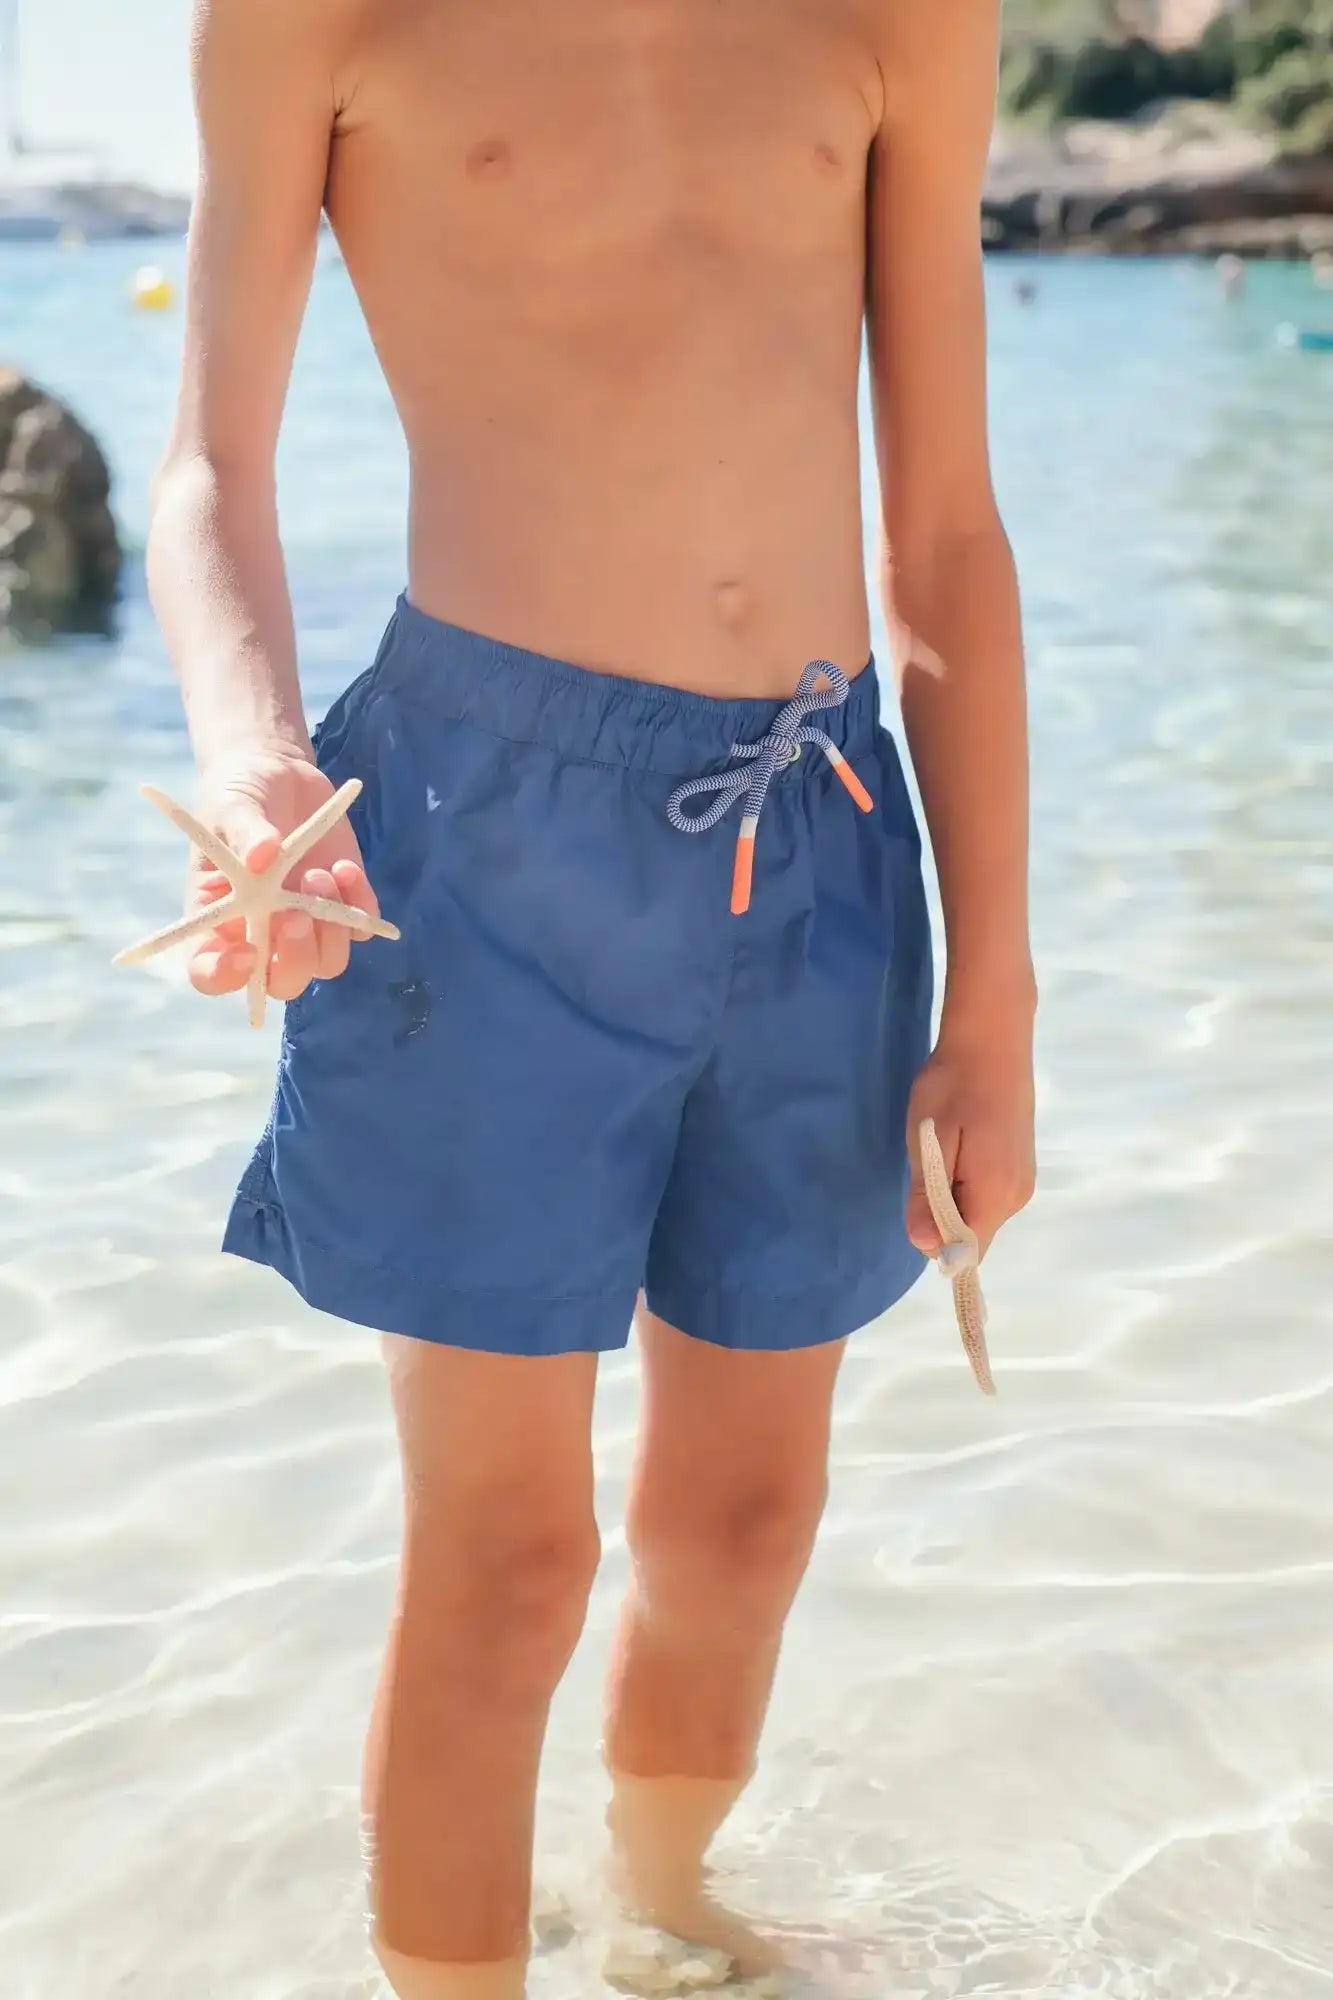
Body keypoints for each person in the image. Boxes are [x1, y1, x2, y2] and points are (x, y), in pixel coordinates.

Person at [147, 2, 1036, 1994]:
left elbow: (949, 534)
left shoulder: (898, 15)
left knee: (743, 1521)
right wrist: (250, 761)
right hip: (476, 833)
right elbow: (211, 465)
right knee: (507, 1557)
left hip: (815, 836)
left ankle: (657, 1911)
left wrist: (999, 995)